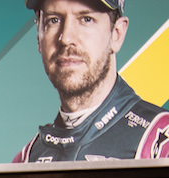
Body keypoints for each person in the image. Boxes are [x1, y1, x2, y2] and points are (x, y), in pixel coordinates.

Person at [15, 0, 169, 162]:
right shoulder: (27, 158)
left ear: (117, 34)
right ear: (39, 37)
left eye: (86, 19)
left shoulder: (160, 142)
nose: (66, 38)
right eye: (54, 20)